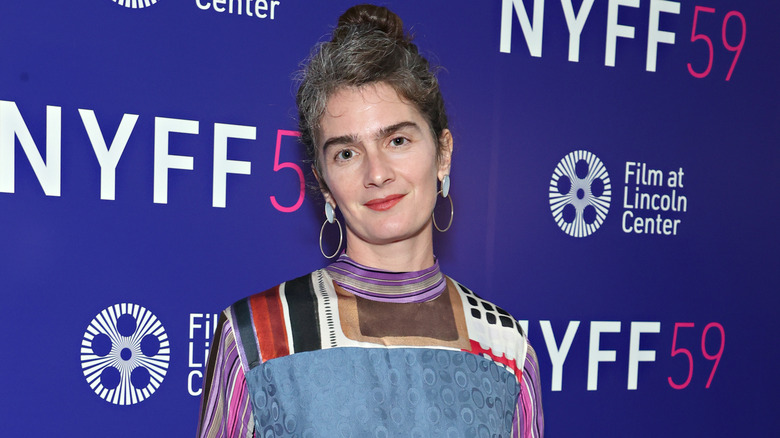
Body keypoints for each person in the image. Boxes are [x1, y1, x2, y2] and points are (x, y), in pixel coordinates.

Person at [196, 4, 544, 437]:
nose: (376, 173)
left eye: (397, 140)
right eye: (346, 152)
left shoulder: (506, 348)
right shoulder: (260, 334)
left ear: (443, 153)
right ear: (323, 182)